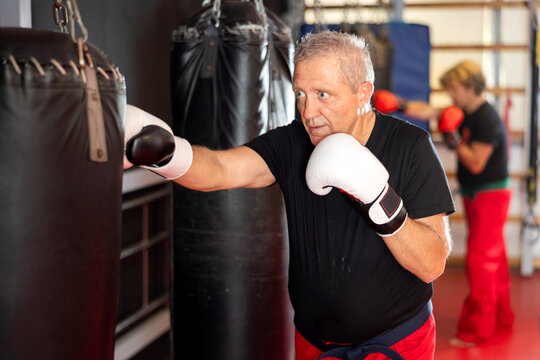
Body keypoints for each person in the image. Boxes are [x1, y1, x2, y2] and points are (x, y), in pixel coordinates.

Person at [124, 31, 455, 360]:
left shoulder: (410, 146)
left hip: (396, 342)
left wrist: (380, 199)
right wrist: (168, 154)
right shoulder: (291, 142)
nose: (308, 112)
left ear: (362, 93)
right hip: (316, 343)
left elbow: (432, 263)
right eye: (300, 94)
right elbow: (222, 169)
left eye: (323, 94)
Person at [381, 60, 514, 347]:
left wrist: (452, 140)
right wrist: (400, 105)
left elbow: (476, 163)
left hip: (489, 194)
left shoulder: (486, 119)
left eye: (454, 90)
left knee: (482, 260)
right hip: (480, 194)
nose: (451, 96)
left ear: (469, 87)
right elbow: (430, 110)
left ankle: (478, 329)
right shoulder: (466, 111)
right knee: (495, 257)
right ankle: (503, 317)